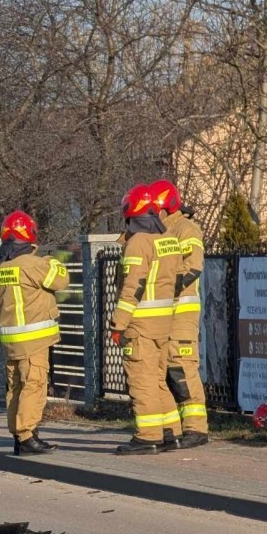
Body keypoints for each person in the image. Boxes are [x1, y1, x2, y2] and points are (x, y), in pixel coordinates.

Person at [0, 211, 69, 455]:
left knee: (16, 388)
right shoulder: (34, 265)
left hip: (10, 341)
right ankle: (27, 435)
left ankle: (17, 434)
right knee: (34, 385)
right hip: (33, 341)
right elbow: (62, 280)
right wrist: (52, 260)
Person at [109, 184, 183, 455]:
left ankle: (148, 436)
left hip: (140, 325)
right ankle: (171, 433)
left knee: (142, 381)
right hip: (163, 324)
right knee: (158, 380)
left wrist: (118, 324)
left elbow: (133, 287)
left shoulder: (138, 242)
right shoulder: (167, 241)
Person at [150, 178, 208, 448]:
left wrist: (164, 287)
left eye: (156, 209)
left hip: (181, 313)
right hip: (160, 314)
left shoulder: (186, 229)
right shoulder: (159, 230)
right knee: (163, 372)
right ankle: (170, 431)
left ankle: (196, 429)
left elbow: (192, 267)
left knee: (181, 370)